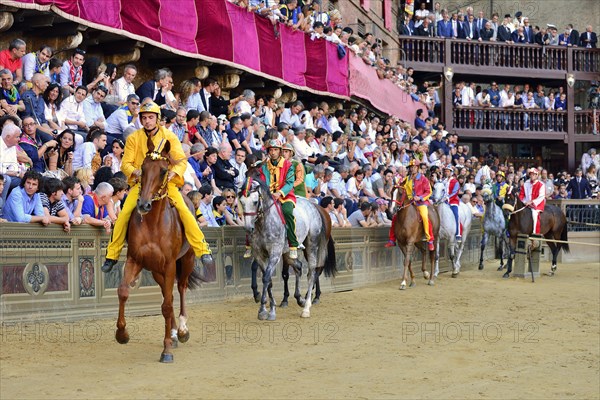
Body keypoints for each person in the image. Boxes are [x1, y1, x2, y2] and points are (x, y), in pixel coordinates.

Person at [101, 101, 214, 273]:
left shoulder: (170, 137)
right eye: (144, 118)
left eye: (151, 117)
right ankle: (112, 255)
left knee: (184, 211)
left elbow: (180, 162)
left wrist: (172, 173)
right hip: (141, 185)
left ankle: (202, 250)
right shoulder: (133, 138)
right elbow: (126, 164)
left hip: (166, 185)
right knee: (124, 213)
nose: (147, 121)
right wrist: (137, 172)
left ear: (157, 119)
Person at [257, 139, 300, 259]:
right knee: (254, 211)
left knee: (287, 212)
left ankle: (293, 244)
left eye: (276, 150)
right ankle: (250, 244)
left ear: (280, 151)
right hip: (267, 196)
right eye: (271, 150)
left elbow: (290, 182)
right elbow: (261, 180)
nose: (273, 152)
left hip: (285, 196)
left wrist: (280, 193)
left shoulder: (288, 165)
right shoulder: (264, 166)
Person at [385, 159, 435, 250]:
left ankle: (430, 239)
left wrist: (420, 197)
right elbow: (401, 187)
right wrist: (395, 185)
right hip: (409, 202)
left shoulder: (424, 179)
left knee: (424, 215)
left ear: (418, 168)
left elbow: (429, 192)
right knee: (395, 217)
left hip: (421, 202)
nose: (412, 169)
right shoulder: (407, 179)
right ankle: (392, 239)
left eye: (414, 167)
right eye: (411, 167)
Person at [518, 168, 546, 235]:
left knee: (534, 214)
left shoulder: (541, 184)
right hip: (526, 204)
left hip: (536, 205)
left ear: (537, 175)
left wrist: (531, 202)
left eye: (534, 174)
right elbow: (521, 195)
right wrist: (524, 201)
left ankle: (535, 232)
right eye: (531, 174)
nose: (532, 176)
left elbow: (541, 197)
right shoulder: (526, 183)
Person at [442, 165, 462, 241]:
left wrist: (447, 198)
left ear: (451, 172)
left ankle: (458, 233)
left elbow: (455, 192)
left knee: (456, 215)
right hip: (442, 201)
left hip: (453, 201)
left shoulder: (455, 181)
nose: (446, 173)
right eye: (445, 171)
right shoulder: (443, 181)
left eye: (447, 171)